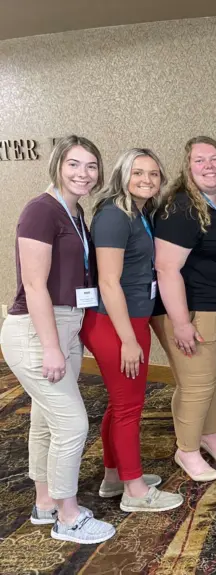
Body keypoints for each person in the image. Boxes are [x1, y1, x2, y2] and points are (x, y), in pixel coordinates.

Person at [0, 135, 115, 543]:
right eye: (74, 165)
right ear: (57, 166)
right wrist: (51, 345)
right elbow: (33, 285)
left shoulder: (74, 210)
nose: (83, 174)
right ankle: (68, 517)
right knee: (72, 423)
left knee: (46, 420)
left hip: (66, 323)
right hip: (36, 328)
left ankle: (44, 502)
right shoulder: (40, 210)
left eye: (91, 166)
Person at [80, 148, 183, 512]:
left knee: (120, 404)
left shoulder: (140, 212)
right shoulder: (113, 216)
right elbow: (109, 283)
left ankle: (114, 475)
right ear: (123, 175)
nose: (147, 179)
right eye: (138, 172)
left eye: (154, 174)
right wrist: (127, 339)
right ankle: (135, 491)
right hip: (115, 323)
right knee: (129, 408)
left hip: (129, 319)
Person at [152, 136, 216, 482]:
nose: (209, 166)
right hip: (191, 313)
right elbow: (166, 268)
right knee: (195, 385)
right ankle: (186, 450)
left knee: (209, 380)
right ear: (187, 168)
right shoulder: (181, 207)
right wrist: (180, 323)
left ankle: (209, 435)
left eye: (214, 159)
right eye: (199, 160)